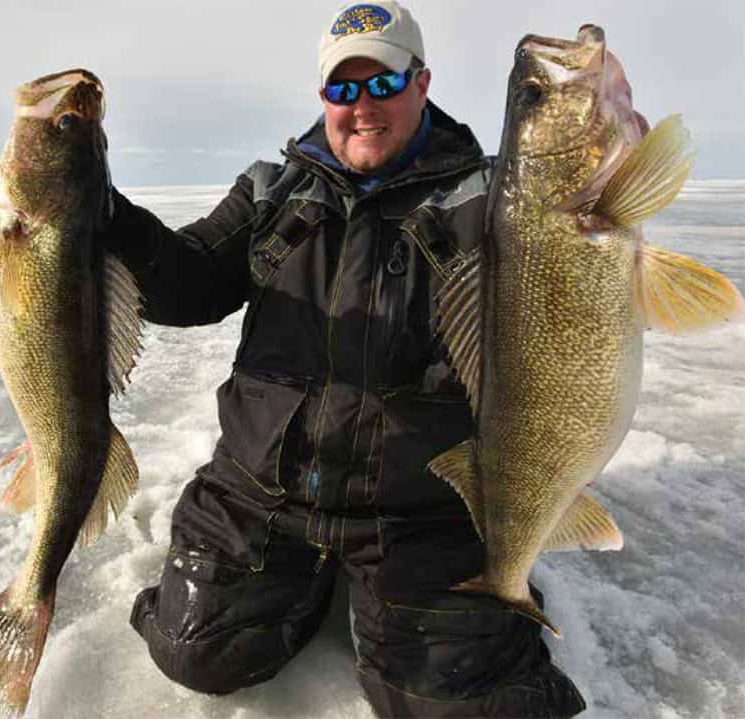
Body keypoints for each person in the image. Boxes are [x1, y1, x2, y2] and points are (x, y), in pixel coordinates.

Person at [107, 3, 587, 717]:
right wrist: (97, 216)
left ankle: (408, 602)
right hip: (263, 490)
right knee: (194, 648)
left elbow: (576, 247)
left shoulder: (491, 201)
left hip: (420, 506)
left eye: (382, 84)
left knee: (463, 704)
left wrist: (600, 160)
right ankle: (296, 584)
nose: (361, 107)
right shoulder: (273, 190)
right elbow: (190, 278)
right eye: (342, 89)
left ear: (421, 84)